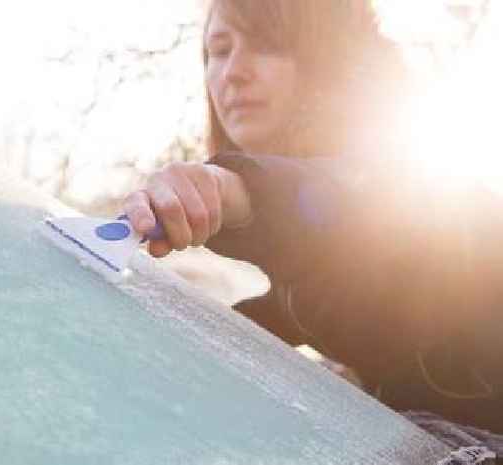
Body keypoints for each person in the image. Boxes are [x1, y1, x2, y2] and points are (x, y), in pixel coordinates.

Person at [123, 0, 503, 442]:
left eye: (266, 44)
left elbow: (350, 204)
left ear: (329, 58)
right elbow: (301, 304)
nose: (234, 72)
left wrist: (232, 189)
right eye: (219, 50)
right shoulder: (316, 264)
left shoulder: (412, 184)